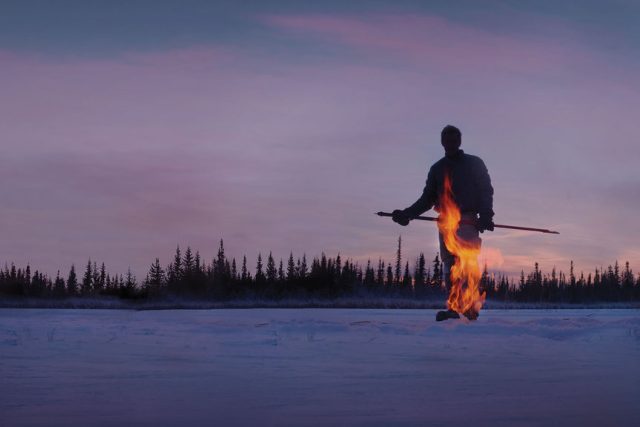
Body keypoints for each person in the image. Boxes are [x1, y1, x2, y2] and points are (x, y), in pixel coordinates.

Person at [391, 125, 494, 320]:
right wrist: (408, 214)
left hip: (468, 221)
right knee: (450, 264)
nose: (451, 143)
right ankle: (454, 308)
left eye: (454, 139)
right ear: (442, 142)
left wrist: (486, 214)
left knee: (467, 262)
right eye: (447, 139)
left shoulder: (474, 163)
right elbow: (427, 199)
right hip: (445, 223)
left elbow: (486, 190)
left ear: (460, 141)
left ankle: (470, 308)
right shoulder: (437, 169)